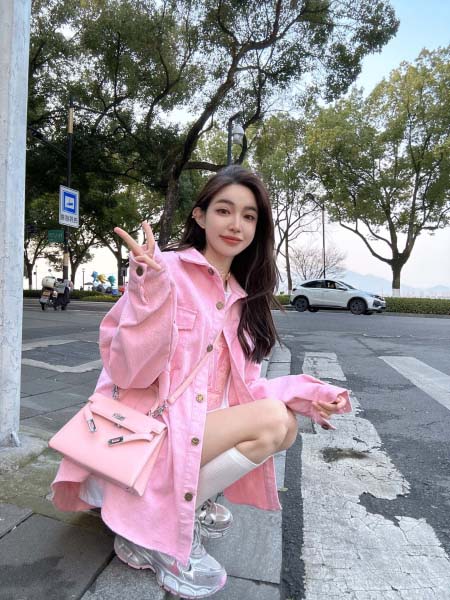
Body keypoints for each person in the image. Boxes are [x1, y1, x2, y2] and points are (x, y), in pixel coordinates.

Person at [51, 166, 351, 599]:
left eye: (249, 216)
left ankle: (176, 513)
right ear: (200, 215)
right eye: (224, 210)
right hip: (146, 432)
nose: (236, 224)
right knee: (273, 421)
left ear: (258, 227)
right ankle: (157, 534)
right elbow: (128, 372)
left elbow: (248, 389)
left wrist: (310, 394)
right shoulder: (164, 270)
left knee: (283, 424)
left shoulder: (245, 296)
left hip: (194, 428)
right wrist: (149, 293)